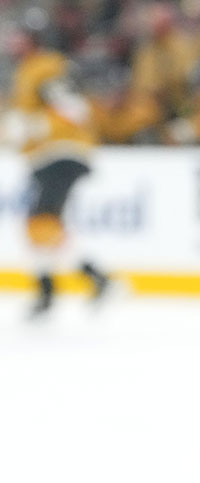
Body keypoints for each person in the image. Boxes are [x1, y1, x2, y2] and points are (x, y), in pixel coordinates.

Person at [7, 22, 111, 317]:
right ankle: (53, 287)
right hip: (46, 156)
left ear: (33, 40)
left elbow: (74, 109)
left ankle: (84, 281)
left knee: (41, 220)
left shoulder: (47, 67)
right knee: (41, 224)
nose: (10, 42)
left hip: (63, 152)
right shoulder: (27, 70)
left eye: (17, 36)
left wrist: (36, 126)